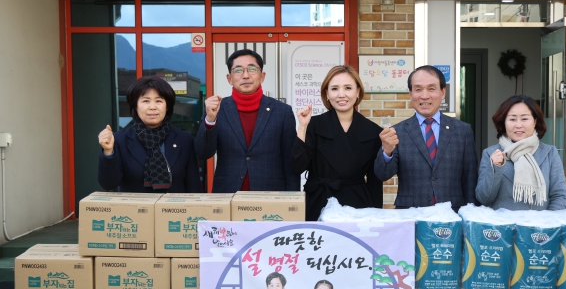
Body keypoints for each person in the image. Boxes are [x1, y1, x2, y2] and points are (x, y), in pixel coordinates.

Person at [374, 65, 478, 211]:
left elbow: (470, 179)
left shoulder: (462, 131)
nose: (424, 96)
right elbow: (382, 174)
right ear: (410, 94)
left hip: (452, 213)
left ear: (443, 92)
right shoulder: (397, 132)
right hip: (410, 213)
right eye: (418, 89)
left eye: (431, 89)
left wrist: (472, 215)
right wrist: (387, 151)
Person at [195, 49, 299, 193]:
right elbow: (203, 153)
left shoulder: (282, 111)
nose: (245, 75)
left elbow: (290, 162)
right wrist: (210, 120)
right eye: (238, 70)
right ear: (229, 78)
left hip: (270, 194)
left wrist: (292, 198)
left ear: (262, 76)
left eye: (252, 69)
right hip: (228, 194)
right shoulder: (217, 109)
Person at [292, 65, 383, 221]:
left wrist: (376, 217)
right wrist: (302, 127)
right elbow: (297, 167)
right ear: (327, 94)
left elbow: (375, 182)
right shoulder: (312, 125)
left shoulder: (373, 131)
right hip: (319, 202)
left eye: (348, 88)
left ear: (358, 92)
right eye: (334, 89)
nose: (341, 94)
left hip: (358, 206)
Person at [97, 76, 200, 193]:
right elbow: (109, 184)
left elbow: (193, 185)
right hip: (135, 204)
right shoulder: (120, 139)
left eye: (159, 101)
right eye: (146, 101)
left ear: (167, 106)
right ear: (135, 106)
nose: (152, 107)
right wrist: (108, 151)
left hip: (174, 205)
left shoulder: (184, 139)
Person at [475, 95, 566, 210]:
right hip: (503, 221)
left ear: (535, 121)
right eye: (512, 119)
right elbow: (483, 199)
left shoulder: (550, 153)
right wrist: (495, 168)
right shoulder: (490, 154)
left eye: (524, 119)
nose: (518, 125)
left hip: (541, 221)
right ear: (504, 122)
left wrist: (548, 220)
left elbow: (560, 196)